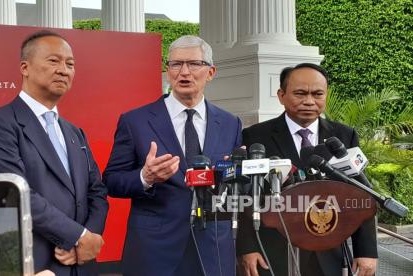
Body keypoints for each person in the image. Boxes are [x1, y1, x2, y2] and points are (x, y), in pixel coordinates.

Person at [0, 30, 108, 275]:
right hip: (36, 264)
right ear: (25, 67)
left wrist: (90, 238)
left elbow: (96, 191)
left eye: (70, 64)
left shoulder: (74, 132)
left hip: (82, 264)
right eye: (53, 61)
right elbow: (14, 193)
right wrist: (77, 236)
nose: (64, 70)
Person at [103, 35, 242, 276]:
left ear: (210, 72)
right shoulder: (135, 121)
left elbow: (234, 183)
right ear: (168, 71)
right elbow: (111, 181)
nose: (184, 72)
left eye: (194, 64)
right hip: (155, 250)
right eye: (176, 64)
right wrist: (145, 178)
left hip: (213, 248)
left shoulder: (230, 123)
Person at [236, 63, 378, 276]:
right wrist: (248, 247)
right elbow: (246, 196)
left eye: (317, 94)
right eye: (300, 93)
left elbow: (360, 193)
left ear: (326, 95)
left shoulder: (344, 136)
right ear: (281, 95)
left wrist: (366, 251)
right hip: (272, 252)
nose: (309, 101)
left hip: (331, 250)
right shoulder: (256, 137)